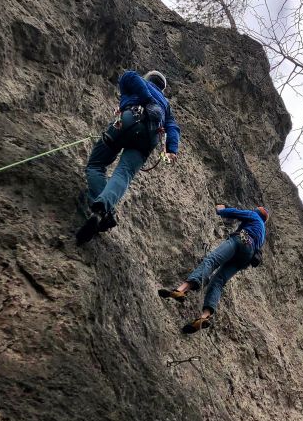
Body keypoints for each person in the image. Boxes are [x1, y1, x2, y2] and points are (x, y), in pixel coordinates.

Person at [76, 69, 180, 244]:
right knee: (124, 173)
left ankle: (103, 208)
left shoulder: (140, 81)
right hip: (150, 138)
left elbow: (130, 76)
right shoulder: (165, 105)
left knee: (96, 165)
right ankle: (103, 209)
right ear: (162, 89)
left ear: (148, 77)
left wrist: (146, 99)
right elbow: (173, 128)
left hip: (130, 119)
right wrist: (172, 149)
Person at [159, 204, 269, 333]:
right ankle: (204, 316)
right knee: (219, 281)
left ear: (257, 211)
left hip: (241, 240)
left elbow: (234, 212)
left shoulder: (254, 215)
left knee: (212, 261)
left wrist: (220, 210)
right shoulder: (262, 232)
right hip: (246, 257)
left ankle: (181, 290)